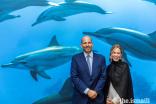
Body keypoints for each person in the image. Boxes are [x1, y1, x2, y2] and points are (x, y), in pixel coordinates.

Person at [70, 36, 107, 104]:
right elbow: (74, 77)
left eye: (89, 43)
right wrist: (87, 91)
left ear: (92, 44)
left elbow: (103, 76)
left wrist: (95, 91)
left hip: (97, 98)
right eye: (85, 43)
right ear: (81, 45)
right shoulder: (75, 58)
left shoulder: (101, 58)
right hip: (80, 98)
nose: (87, 45)